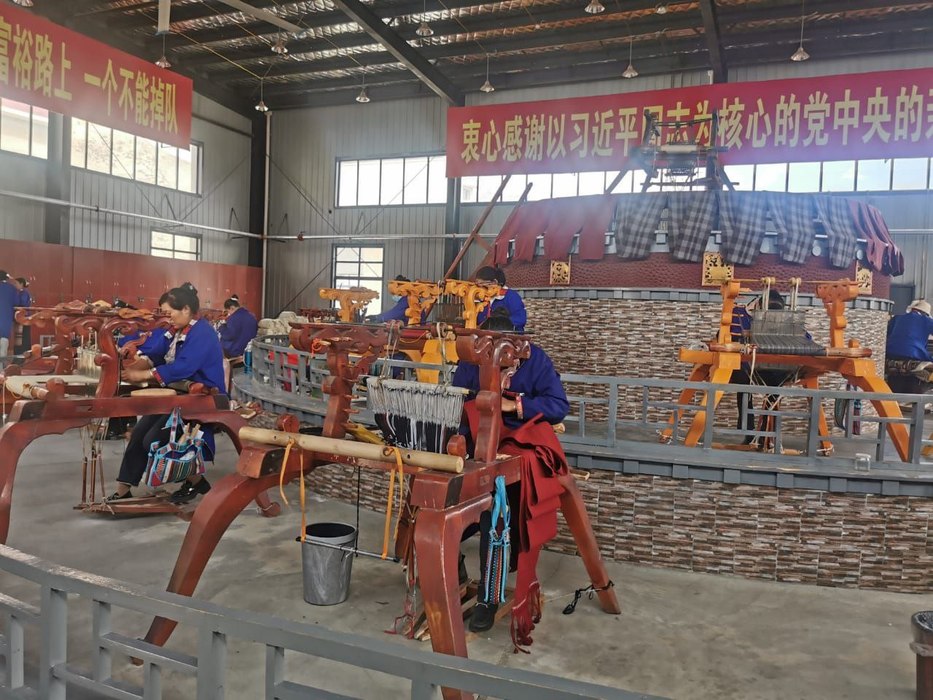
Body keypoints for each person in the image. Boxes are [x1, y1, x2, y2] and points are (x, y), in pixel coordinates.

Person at [451, 309, 569, 636]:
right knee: (438, 496)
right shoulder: (472, 358)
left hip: (518, 441)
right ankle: (452, 570)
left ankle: (489, 597)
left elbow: (559, 405)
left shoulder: (534, 358)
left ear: (514, 347)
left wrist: (513, 405)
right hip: (478, 441)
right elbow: (459, 400)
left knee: (495, 511)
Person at [107, 283, 226, 504]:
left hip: (202, 397)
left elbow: (184, 367)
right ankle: (123, 490)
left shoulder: (203, 333)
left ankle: (196, 481)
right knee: (139, 435)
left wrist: (143, 375)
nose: (167, 317)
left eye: (170, 312)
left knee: (154, 439)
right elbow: (155, 354)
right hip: (176, 395)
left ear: (186, 309)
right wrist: (129, 367)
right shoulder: (174, 331)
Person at [885, 299, 933, 391]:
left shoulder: (896, 318)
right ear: (925, 313)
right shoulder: (926, 320)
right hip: (914, 355)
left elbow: (888, 336)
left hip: (891, 357)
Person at [475, 266, 527, 333]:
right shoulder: (481, 299)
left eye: (482, 286)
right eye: (478, 286)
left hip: (509, 337)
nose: (480, 289)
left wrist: (492, 324)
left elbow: (520, 319)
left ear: (494, 282)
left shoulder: (510, 296)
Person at [0, 271, 17, 361]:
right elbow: (16, 302)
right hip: (6, 318)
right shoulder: (12, 288)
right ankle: (1, 365)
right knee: (4, 341)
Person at [13, 277, 31, 354]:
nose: (15, 285)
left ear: (21, 284)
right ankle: (19, 353)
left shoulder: (24, 293)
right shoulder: (20, 292)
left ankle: (22, 353)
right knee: (19, 336)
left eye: (16, 283)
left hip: (23, 317)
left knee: (23, 337)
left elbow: (22, 304)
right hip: (20, 317)